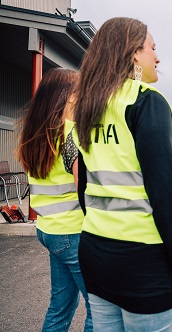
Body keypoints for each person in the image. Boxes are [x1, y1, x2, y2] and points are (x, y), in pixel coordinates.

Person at [69, 17, 172, 331]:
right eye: (152, 48)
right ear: (133, 54)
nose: (157, 57)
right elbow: (167, 196)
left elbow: (84, 185)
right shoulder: (145, 102)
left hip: (96, 251)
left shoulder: (88, 107)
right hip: (144, 263)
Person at [15, 68, 92, 331]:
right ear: (67, 96)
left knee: (60, 305)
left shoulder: (33, 135)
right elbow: (85, 189)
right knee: (100, 309)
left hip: (49, 230)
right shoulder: (71, 134)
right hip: (74, 233)